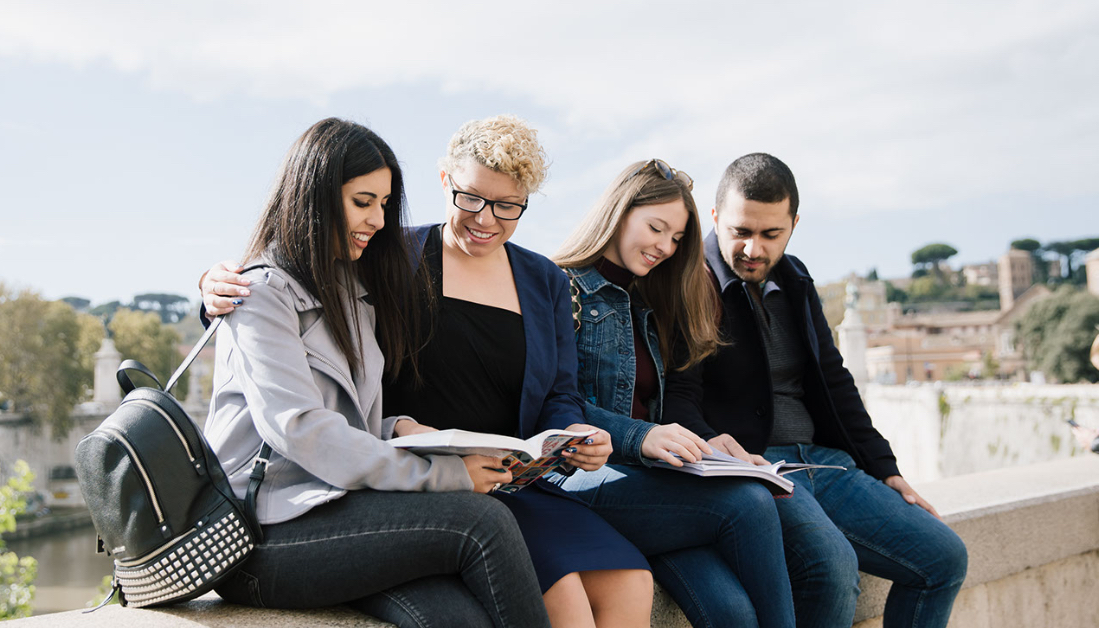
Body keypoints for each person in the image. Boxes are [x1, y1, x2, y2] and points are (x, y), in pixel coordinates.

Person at [203, 115, 654, 628]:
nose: (486, 218)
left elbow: (555, 391)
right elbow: (292, 379)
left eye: (507, 206)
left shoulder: (532, 280)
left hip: (461, 480)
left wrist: (567, 435)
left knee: (625, 581)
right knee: (517, 556)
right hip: (309, 508)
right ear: (446, 182)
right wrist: (217, 288)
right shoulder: (387, 261)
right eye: (472, 198)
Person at [663, 153, 969, 628]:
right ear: (716, 217)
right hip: (759, 472)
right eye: (740, 232)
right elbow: (676, 393)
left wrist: (883, 466)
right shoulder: (687, 283)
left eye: (770, 235)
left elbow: (834, 379)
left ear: (793, 225)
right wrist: (710, 442)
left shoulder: (796, 278)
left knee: (943, 557)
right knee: (829, 567)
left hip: (826, 465)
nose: (752, 250)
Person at [550, 159, 795, 628]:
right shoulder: (560, 287)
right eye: (656, 228)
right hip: (581, 478)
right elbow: (553, 404)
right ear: (619, 213)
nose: (665, 247)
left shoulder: (653, 296)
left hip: (652, 480)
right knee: (749, 503)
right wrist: (641, 435)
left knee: (732, 612)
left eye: (678, 238)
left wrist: (707, 444)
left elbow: (676, 395)